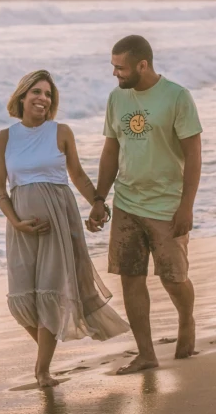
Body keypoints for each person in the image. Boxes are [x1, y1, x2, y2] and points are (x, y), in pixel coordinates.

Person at [0, 70, 130, 388]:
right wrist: (16, 222)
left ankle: (42, 371)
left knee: (51, 295)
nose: (43, 98)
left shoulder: (61, 131)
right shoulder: (5, 137)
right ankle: (46, 354)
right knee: (22, 298)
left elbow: (77, 175)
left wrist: (97, 201)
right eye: (37, 92)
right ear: (22, 96)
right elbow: (0, 188)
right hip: (21, 228)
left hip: (59, 221)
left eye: (48, 94)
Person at [87, 35, 203, 375]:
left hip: (167, 204)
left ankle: (186, 319)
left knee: (173, 278)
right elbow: (111, 150)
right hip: (126, 201)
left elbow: (193, 155)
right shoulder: (116, 99)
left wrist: (187, 206)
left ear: (143, 65)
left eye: (120, 68)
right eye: (113, 67)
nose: (115, 74)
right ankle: (146, 353)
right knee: (130, 278)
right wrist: (99, 198)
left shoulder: (177, 97)